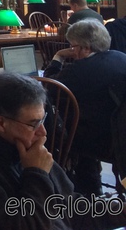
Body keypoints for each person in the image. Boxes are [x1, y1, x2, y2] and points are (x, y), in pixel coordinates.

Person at [0, 72, 124, 230]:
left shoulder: (27, 150)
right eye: (33, 123)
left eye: (42, 120)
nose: (43, 132)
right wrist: (37, 175)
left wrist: (120, 210)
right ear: (0, 123)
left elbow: (71, 206)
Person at [43, 19, 126, 195]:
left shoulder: (78, 70)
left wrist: (58, 56)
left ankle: (77, 191)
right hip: (120, 134)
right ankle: (91, 187)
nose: (72, 51)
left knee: (52, 126)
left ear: (85, 48)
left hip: (100, 140)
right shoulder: (121, 57)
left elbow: (49, 87)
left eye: (73, 46)